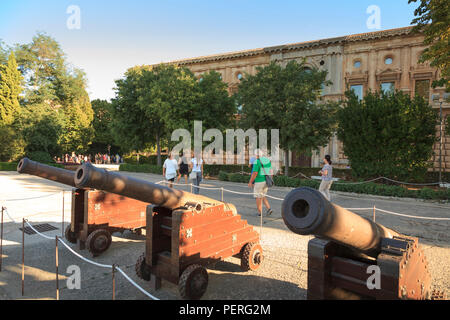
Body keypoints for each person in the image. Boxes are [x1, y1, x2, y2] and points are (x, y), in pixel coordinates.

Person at [248, 149, 273, 216]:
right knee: (263, 195)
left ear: (257, 155)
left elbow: (255, 173)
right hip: (266, 181)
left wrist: (250, 182)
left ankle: (260, 213)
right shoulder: (267, 160)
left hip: (259, 181)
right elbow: (271, 171)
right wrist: (270, 179)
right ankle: (269, 208)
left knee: (258, 197)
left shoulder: (257, 161)